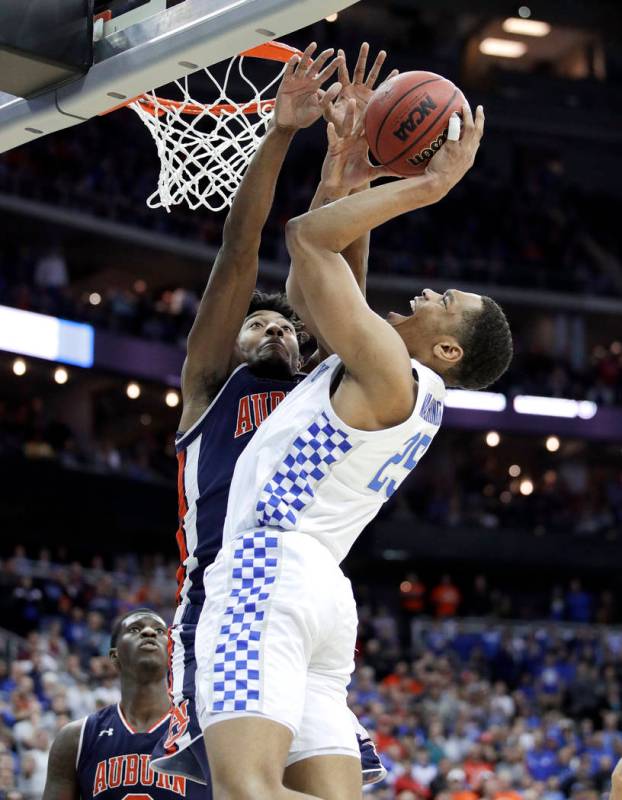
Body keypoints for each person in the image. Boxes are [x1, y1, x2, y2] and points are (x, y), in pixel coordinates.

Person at [193, 100, 513, 800]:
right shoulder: (396, 381)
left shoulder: (391, 370)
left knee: (245, 790)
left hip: (268, 568)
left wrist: (429, 186)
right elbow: (321, 285)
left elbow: (308, 240)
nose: (425, 292)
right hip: (321, 594)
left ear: (448, 347)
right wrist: (350, 176)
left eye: (443, 300)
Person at [150, 44, 391, 788]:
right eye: (258, 325)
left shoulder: (315, 394)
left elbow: (341, 291)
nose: (275, 327)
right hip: (224, 594)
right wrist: (283, 132)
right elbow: (239, 254)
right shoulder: (210, 386)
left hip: (302, 598)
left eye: (284, 324)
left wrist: (346, 173)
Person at [42, 608, 204, 799]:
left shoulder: (200, 730)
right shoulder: (76, 738)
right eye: (135, 629)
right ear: (114, 656)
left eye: (160, 631)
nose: (149, 632)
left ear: (171, 653)